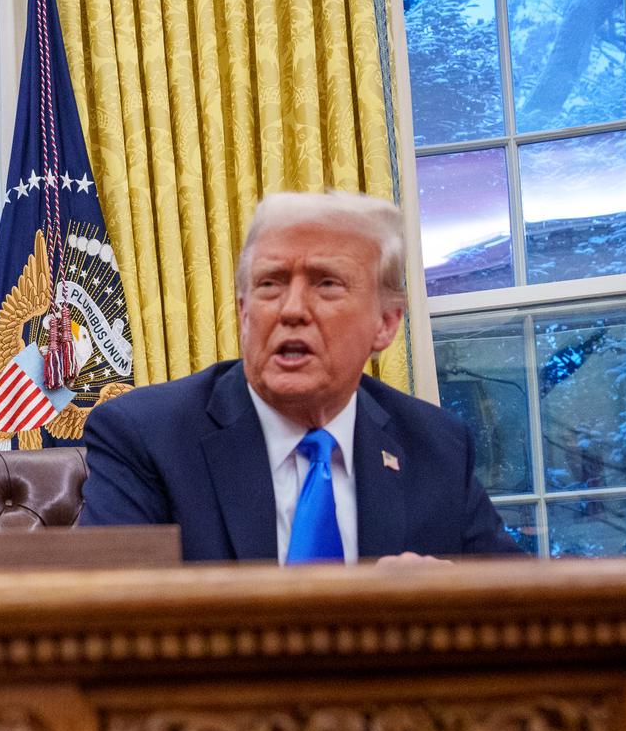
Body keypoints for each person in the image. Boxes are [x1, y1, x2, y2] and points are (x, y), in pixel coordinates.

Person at [78, 190, 520, 562]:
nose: (291, 310)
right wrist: (377, 612)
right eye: (270, 284)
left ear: (386, 322)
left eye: (326, 283)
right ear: (244, 312)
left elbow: (520, 608)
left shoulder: (436, 445)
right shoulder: (147, 436)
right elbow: (102, 618)